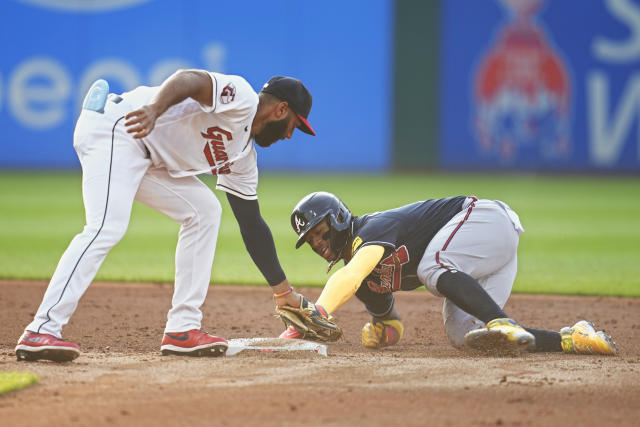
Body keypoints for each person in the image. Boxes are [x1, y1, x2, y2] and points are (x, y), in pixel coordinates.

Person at [15, 70, 311, 362]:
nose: (289, 135)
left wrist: (283, 293)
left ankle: (182, 330)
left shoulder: (243, 159)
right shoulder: (243, 98)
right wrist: (155, 109)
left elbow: (251, 224)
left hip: (146, 157)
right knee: (106, 226)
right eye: (294, 126)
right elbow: (190, 79)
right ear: (281, 109)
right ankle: (41, 328)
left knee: (205, 211)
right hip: (119, 128)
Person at [281, 191, 617, 356]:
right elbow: (390, 322)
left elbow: (351, 275)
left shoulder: (371, 230)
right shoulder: (365, 278)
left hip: (485, 220)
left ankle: (500, 319)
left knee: (432, 267)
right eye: (310, 240)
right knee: (466, 338)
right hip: (482, 258)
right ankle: (573, 338)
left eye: (320, 232)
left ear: (338, 220)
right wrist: (383, 332)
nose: (318, 243)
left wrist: (318, 311)